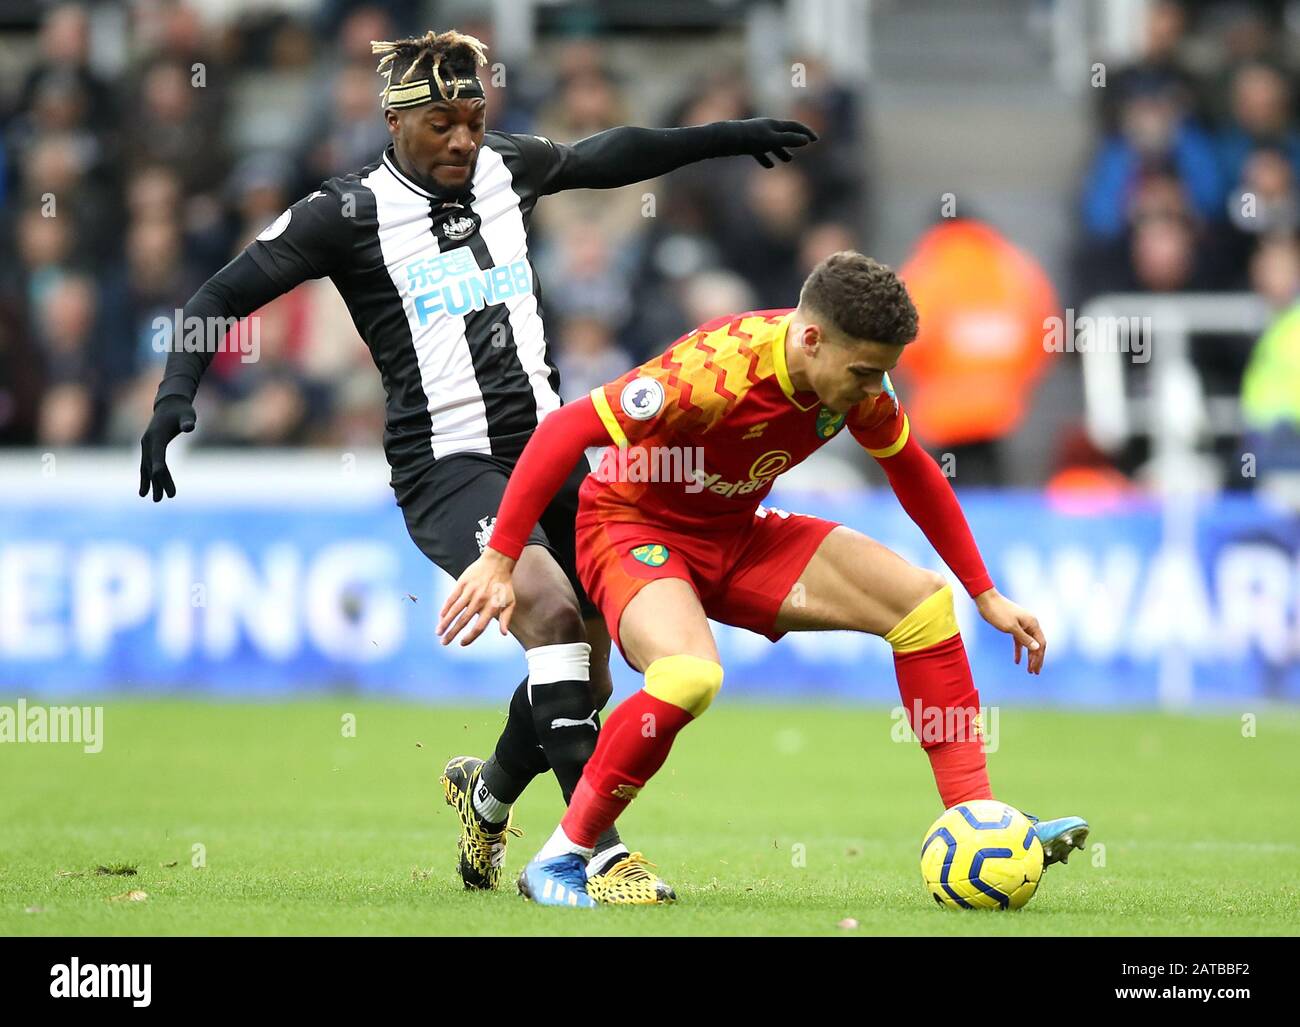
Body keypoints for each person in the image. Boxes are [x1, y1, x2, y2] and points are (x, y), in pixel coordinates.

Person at [137, 28, 818, 904]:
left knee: (589, 674)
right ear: (392, 120)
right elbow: (217, 295)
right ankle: (595, 856)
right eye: (440, 125)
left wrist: (722, 137)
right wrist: (173, 397)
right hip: (446, 465)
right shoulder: (346, 213)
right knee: (546, 609)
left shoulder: (505, 165)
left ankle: (485, 792)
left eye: (472, 118)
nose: (462, 139)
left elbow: (604, 155)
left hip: (552, 449)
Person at [439, 251, 1089, 907]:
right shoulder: (714, 372)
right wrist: (500, 555)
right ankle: (562, 860)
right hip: (632, 526)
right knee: (690, 675)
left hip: (735, 531)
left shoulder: (860, 379)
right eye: (864, 373)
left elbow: (913, 468)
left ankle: (980, 827)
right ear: (811, 339)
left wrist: (986, 592)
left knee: (923, 605)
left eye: (883, 375)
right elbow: (563, 430)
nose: (873, 391)